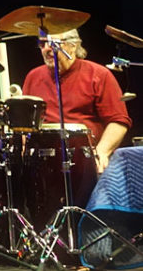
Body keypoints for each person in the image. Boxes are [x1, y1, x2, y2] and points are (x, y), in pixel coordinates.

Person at [21, 29, 131, 173]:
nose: (47, 49)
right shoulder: (33, 77)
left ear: (73, 45)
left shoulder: (98, 75)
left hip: (85, 162)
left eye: (53, 44)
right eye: (42, 44)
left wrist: (101, 152)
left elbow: (118, 121)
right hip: (43, 165)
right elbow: (24, 124)